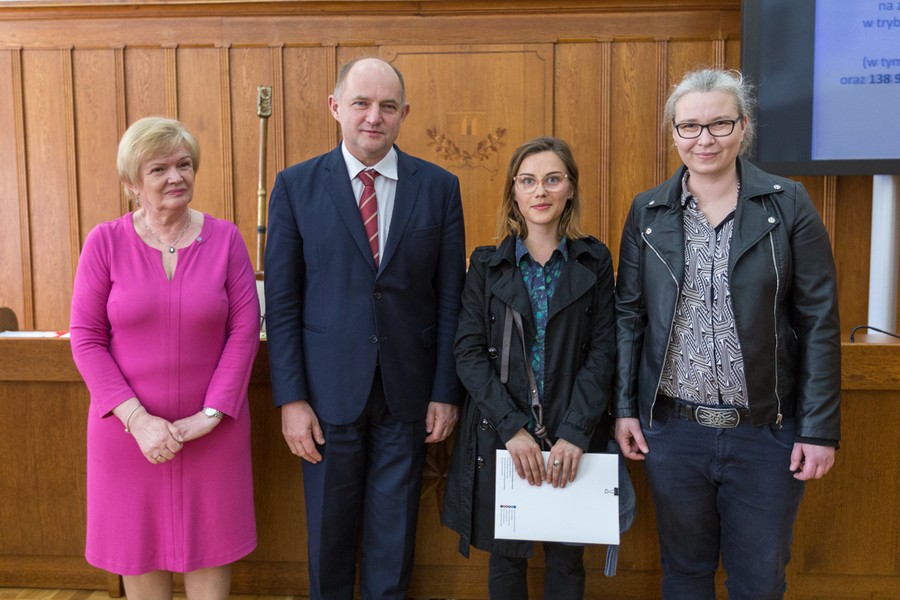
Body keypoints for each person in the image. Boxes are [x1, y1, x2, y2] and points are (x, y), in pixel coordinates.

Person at [614, 68, 841, 600]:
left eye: (719, 124)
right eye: (689, 126)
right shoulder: (647, 212)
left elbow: (819, 323)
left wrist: (820, 429)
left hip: (767, 433)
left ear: (743, 128)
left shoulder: (788, 205)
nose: (704, 139)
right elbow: (629, 317)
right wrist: (624, 408)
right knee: (685, 574)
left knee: (759, 581)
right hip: (674, 430)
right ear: (673, 133)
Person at [263, 57, 466, 600]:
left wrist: (445, 391)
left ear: (404, 114)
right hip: (326, 398)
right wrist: (292, 399)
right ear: (336, 108)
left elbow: (451, 299)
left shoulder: (441, 188)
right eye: (361, 103)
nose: (373, 117)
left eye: (386, 106)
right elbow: (281, 304)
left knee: (393, 540)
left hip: (409, 394)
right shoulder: (296, 186)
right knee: (329, 540)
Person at [70, 116, 261, 599]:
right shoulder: (104, 243)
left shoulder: (226, 239)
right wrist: (138, 421)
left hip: (213, 434)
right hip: (128, 435)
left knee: (211, 550)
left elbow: (243, 331)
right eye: (159, 169)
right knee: (140, 550)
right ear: (133, 184)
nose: (176, 176)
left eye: (183, 164)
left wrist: (211, 415)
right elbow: (87, 338)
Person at [443, 136, 617, 599]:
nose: (540, 191)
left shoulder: (594, 260)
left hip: (571, 431)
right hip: (503, 433)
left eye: (552, 179)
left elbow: (604, 351)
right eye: (528, 181)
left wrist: (576, 431)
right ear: (515, 194)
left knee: (567, 558)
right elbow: (468, 352)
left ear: (570, 190)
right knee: (506, 559)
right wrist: (511, 427)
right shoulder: (486, 264)